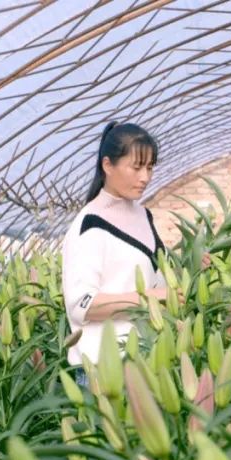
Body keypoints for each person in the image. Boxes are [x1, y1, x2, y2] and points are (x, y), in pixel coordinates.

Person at [61, 122, 171, 372]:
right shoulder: (90, 224)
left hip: (145, 363)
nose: (145, 177)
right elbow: (81, 305)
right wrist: (148, 300)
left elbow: (150, 278)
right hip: (102, 370)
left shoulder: (143, 215)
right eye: (136, 167)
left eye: (150, 167)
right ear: (108, 165)